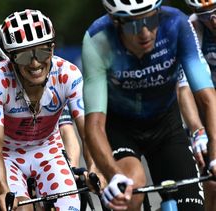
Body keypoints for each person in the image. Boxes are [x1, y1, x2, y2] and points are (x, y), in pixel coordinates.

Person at [82, 0, 216, 210]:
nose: (145, 33)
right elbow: (94, 125)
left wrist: (215, 156)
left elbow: (207, 98)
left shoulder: (176, 23)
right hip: (121, 129)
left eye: (151, 20)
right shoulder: (98, 39)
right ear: (116, 23)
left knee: (192, 205)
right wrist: (112, 174)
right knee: (130, 193)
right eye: (133, 25)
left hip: (166, 126)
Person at [0, 9, 95, 211]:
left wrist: (94, 169)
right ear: (11, 57)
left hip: (48, 151)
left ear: (52, 48)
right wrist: (2, 189)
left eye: (42, 52)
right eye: (24, 56)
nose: (35, 63)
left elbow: (88, 132)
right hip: (9, 155)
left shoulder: (68, 74)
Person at [0, 69, 82, 210]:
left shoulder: (52, 76)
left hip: (42, 148)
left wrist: (74, 170)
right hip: (3, 150)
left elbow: (66, 130)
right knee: (5, 202)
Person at [181, 1, 216, 210]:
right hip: (208, 108)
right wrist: (198, 131)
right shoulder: (192, 26)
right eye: (205, 15)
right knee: (211, 182)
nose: (213, 20)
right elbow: (184, 86)